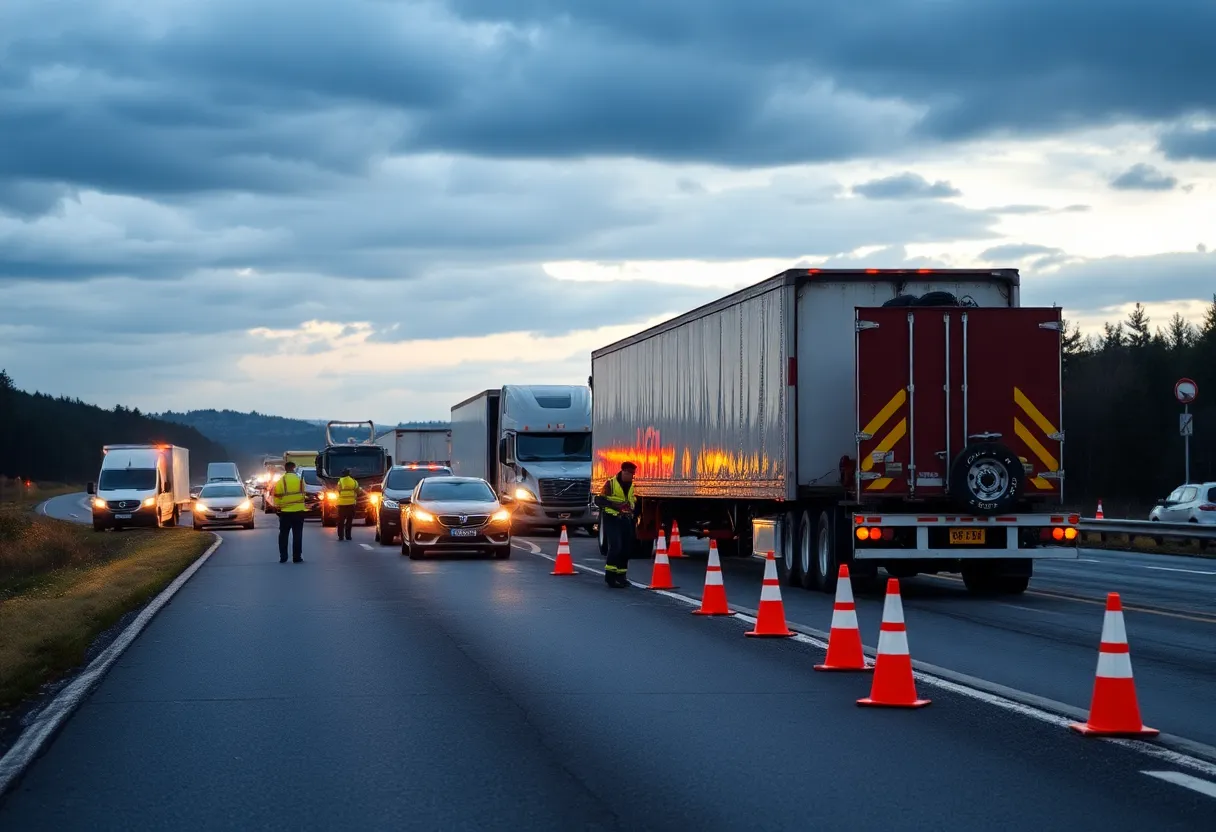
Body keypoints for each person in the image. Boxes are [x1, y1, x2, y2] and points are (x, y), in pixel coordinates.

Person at [594, 461, 637, 588]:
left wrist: (631, 508)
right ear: (623, 471)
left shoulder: (631, 485)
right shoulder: (610, 484)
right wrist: (615, 506)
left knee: (626, 548)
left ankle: (621, 576)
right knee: (616, 546)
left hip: (625, 518)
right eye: (630, 473)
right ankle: (610, 577)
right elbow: (598, 500)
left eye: (633, 474)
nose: (632, 476)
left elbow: (632, 500)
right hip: (612, 518)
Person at [273, 461, 307, 563]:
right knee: (298, 534)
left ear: (285, 469)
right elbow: (303, 494)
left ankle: (283, 557)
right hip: (299, 511)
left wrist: (278, 508)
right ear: (294, 468)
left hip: (285, 512)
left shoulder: (281, 481)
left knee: (283, 535)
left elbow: (276, 496)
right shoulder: (300, 480)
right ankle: (297, 557)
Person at [336, 468, 360, 541]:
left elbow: (338, 490)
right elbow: (358, 491)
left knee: (341, 521)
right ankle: (348, 536)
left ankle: (341, 536)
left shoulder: (340, 481)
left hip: (341, 504)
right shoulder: (354, 481)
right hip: (351, 504)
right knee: (349, 521)